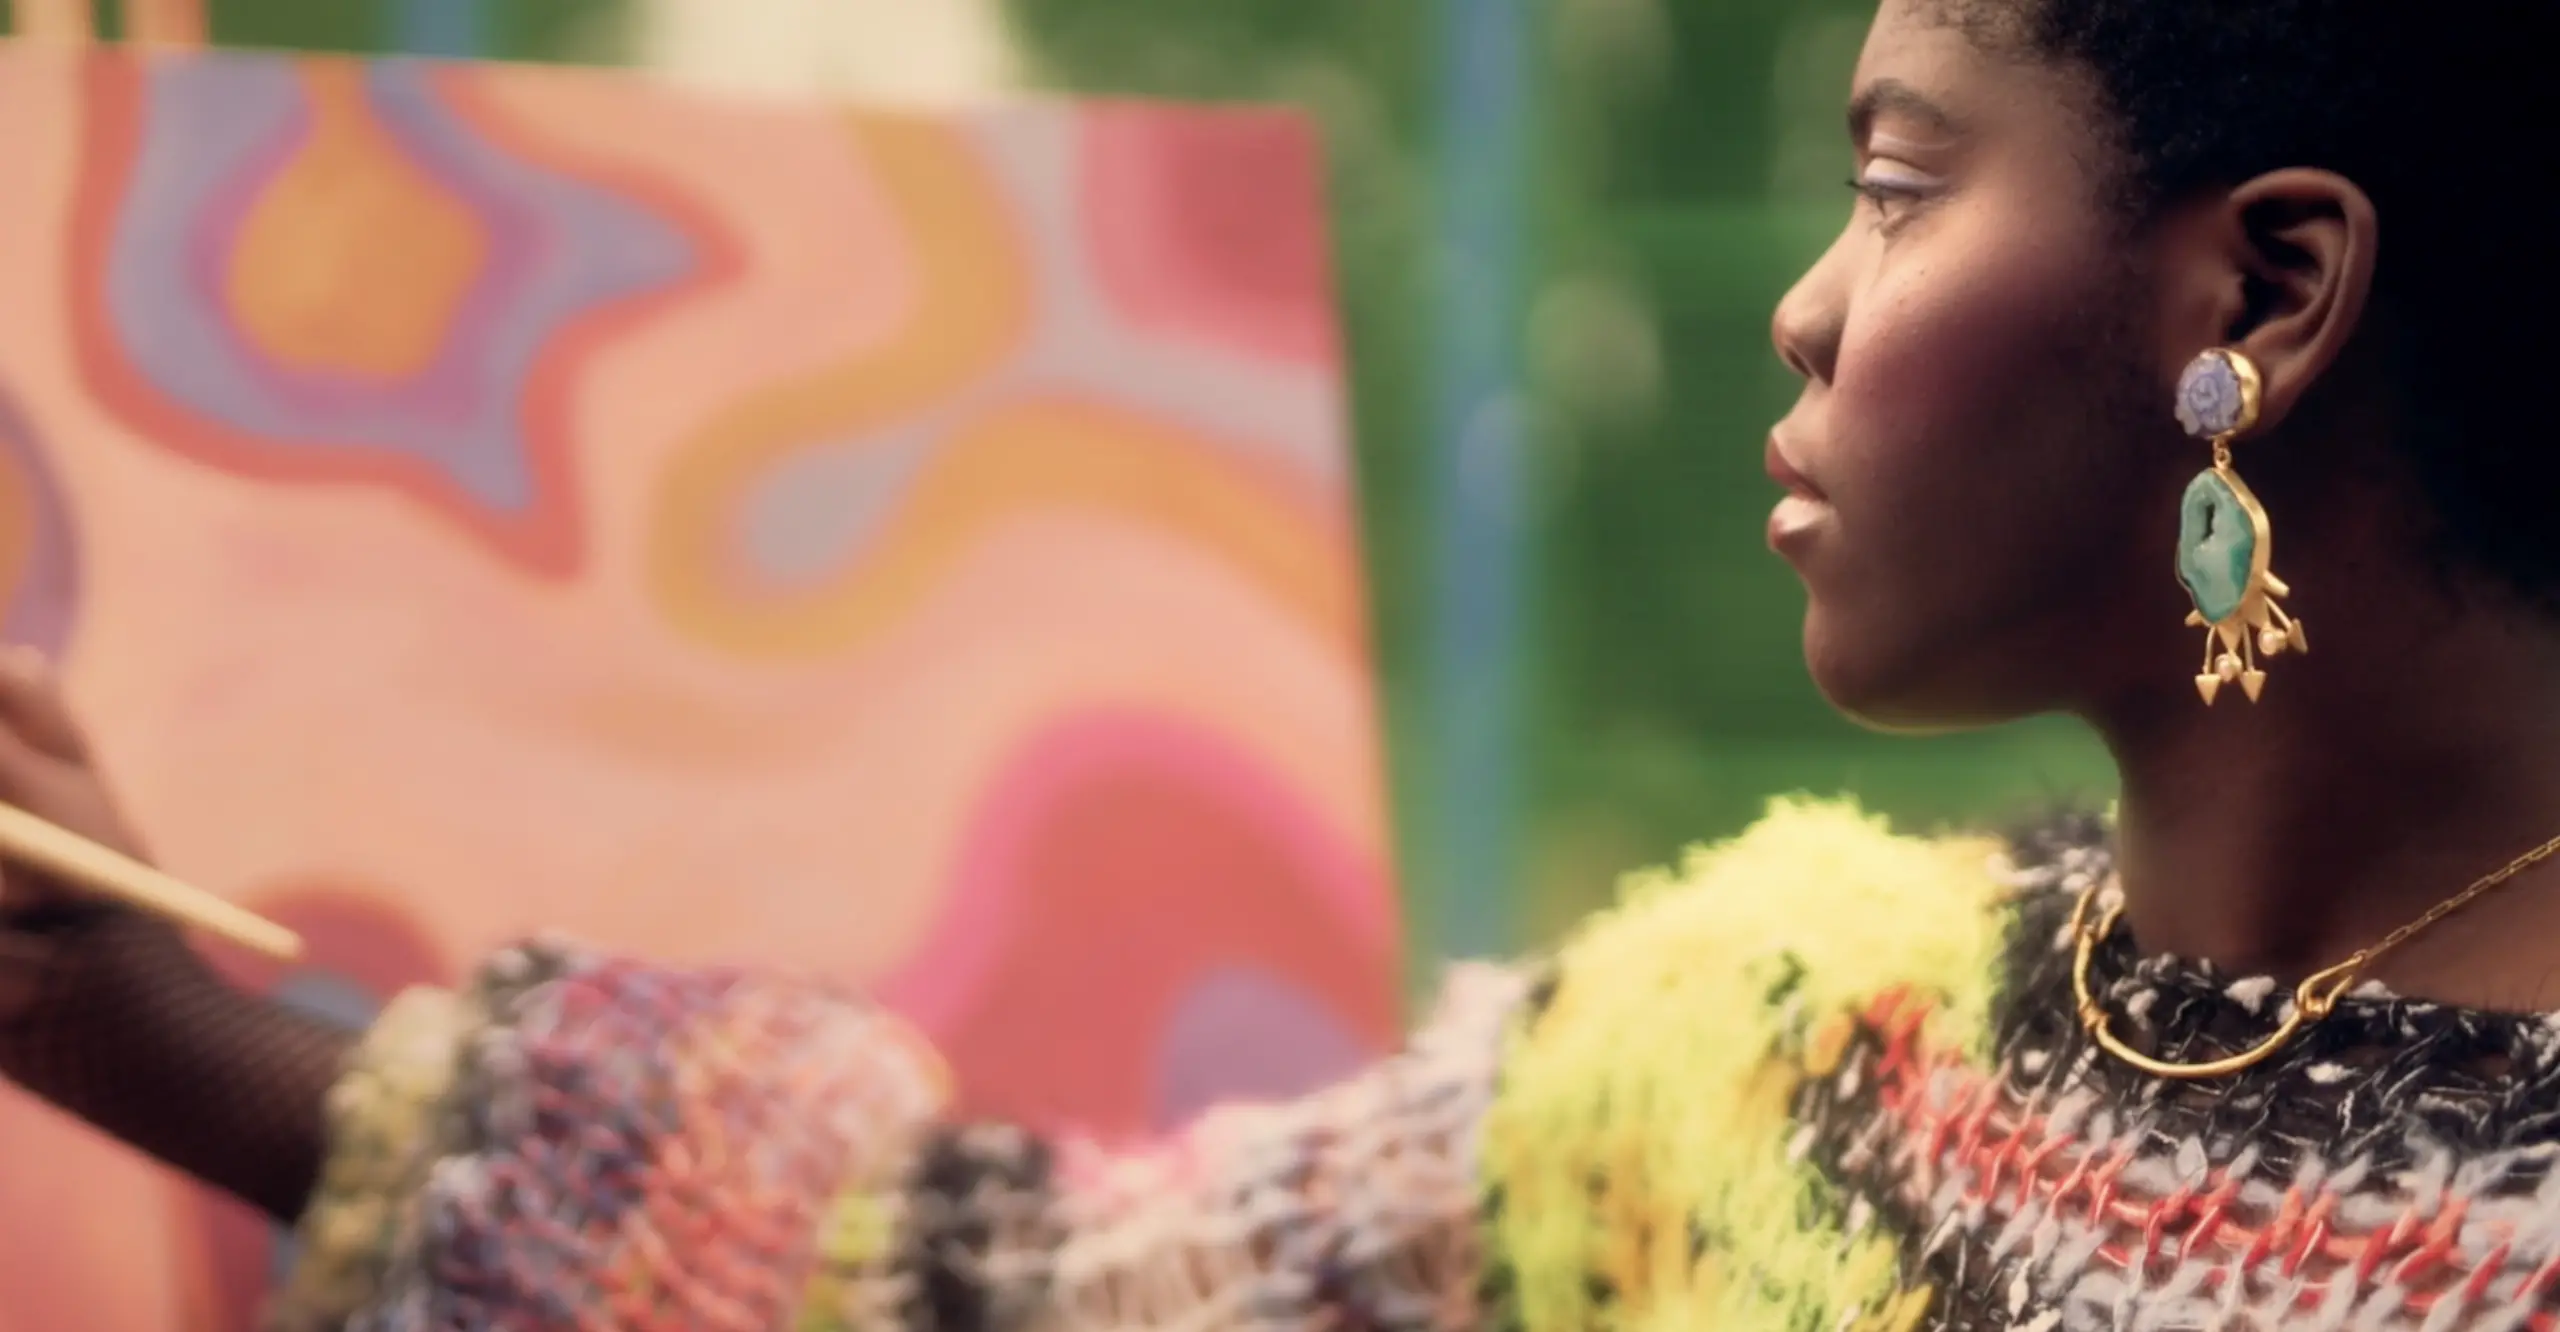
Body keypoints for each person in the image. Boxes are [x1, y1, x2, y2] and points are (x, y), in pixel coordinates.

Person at [10, 0, 2560, 1327]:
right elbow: (997, 1287)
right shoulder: (1778, 1047)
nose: (1797, 306)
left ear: (2260, 293)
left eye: (1895, 187)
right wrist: (136, 1012)